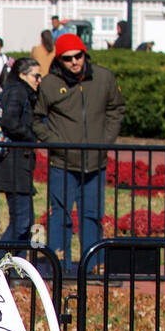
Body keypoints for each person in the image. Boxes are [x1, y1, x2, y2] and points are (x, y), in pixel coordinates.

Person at [33, 32, 126, 275]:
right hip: (62, 162)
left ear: (85, 54)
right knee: (59, 215)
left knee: (92, 216)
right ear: (59, 60)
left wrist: (105, 141)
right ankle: (59, 267)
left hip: (96, 161)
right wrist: (54, 141)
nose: (74, 62)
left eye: (78, 56)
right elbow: (36, 118)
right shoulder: (50, 84)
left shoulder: (104, 77)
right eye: (67, 58)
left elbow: (116, 108)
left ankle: (93, 267)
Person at [0, 57, 42, 251]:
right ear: (23, 75)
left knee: (26, 221)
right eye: (36, 76)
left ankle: (15, 269)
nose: (39, 80)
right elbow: (9, 121)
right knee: (21, 221)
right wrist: (32, 137)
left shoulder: (19, 91)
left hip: (16, 161)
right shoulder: (18, 91)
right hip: (12, 162)